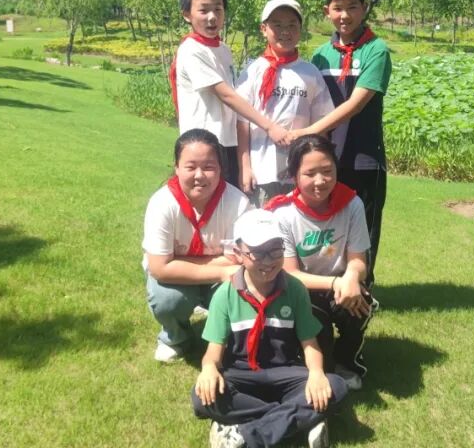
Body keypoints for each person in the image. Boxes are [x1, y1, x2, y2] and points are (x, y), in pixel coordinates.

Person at [192, 208, 346, 448]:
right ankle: (300, 418)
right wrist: (209, 368)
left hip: (286, 372)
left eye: (275, 250)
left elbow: (310, 343)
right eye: (258, 252)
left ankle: (246, 435)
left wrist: (316, 373)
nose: (268, 261)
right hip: (241, 375)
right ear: (239, 253)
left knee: (336, 386)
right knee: (202, 396)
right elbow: (214, 351)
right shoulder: (225, 294)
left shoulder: (295, 290)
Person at [296, 0, 392, 287]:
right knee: (330, 226)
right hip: (327, 161)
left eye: (352, 7)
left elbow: (355, 105)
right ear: (327, 11)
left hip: (364, 158)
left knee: (364, 227)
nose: (345, 15)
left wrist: (309, 131)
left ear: (364, 8)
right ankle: (329, 288)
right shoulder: (320, 55)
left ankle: (362, 290)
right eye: (337, 8)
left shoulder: (376, 50)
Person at [266, 135, 377, 392]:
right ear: (294, 175)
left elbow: (359, 261)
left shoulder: (352, 204)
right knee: (321, 351)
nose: (320, 181)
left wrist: (352, 277)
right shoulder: (283, 213)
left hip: (340, 284)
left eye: (327, 171)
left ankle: (348, 360)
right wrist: (337, 282)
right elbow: (290, 273)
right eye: (310, 173)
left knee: (360, 304)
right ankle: (320, 356)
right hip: (301, 290)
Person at [142, 128, 252, 363]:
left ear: (221, 168)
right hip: (189, 278)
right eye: (191, 167)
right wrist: (221, 270)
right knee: (167, 300)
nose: (200, 175)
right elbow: (160, 268)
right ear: (176, 167)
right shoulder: (162, 204)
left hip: (207, 276)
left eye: (209, 167)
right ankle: (175, 338)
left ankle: (225, 337)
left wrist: (177, 262)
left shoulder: (238, 204)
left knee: (246, 288)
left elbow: (238, 259)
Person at [172, 0, 291, 188]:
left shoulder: (223, 49)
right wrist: (269, 126)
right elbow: (227, 95)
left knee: (228, 202)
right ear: (186, 15)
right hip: (202, 145)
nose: (212, 17)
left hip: (227, 142)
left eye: (218, 9)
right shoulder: (191, 50)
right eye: (203, 10)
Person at [236, 0, 335, 207]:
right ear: (264, 29)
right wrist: (245, 167)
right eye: (277, 25)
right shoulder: (252, 71)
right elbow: (241, 122)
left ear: (301, 29)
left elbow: (322, 124)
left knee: (299, 222)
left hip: (301, 171)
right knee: (263, 223)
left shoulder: (310, 73)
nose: (285, 31)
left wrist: (320, 166)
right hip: (262, 170)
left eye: (292, 25)